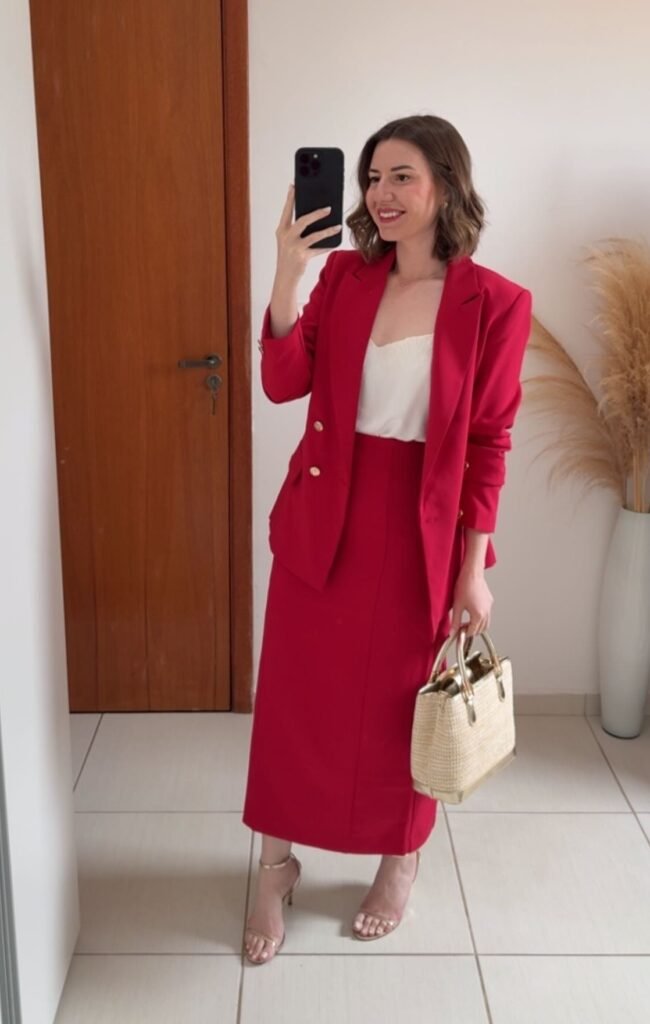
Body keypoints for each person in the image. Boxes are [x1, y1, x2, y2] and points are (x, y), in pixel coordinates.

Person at [241, 114, 533, 965]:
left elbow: (489, 444)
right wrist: (288, 275)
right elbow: (282, 382)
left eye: (401, 176)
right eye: (372, 178)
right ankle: (273, 865)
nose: (381, 194)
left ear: (445, 182)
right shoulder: (343, 277)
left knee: (399, 710)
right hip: (324, 519)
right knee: (297, 701)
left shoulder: (498, 304)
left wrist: (472, 569)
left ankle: (398, 861)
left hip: (423, 533)